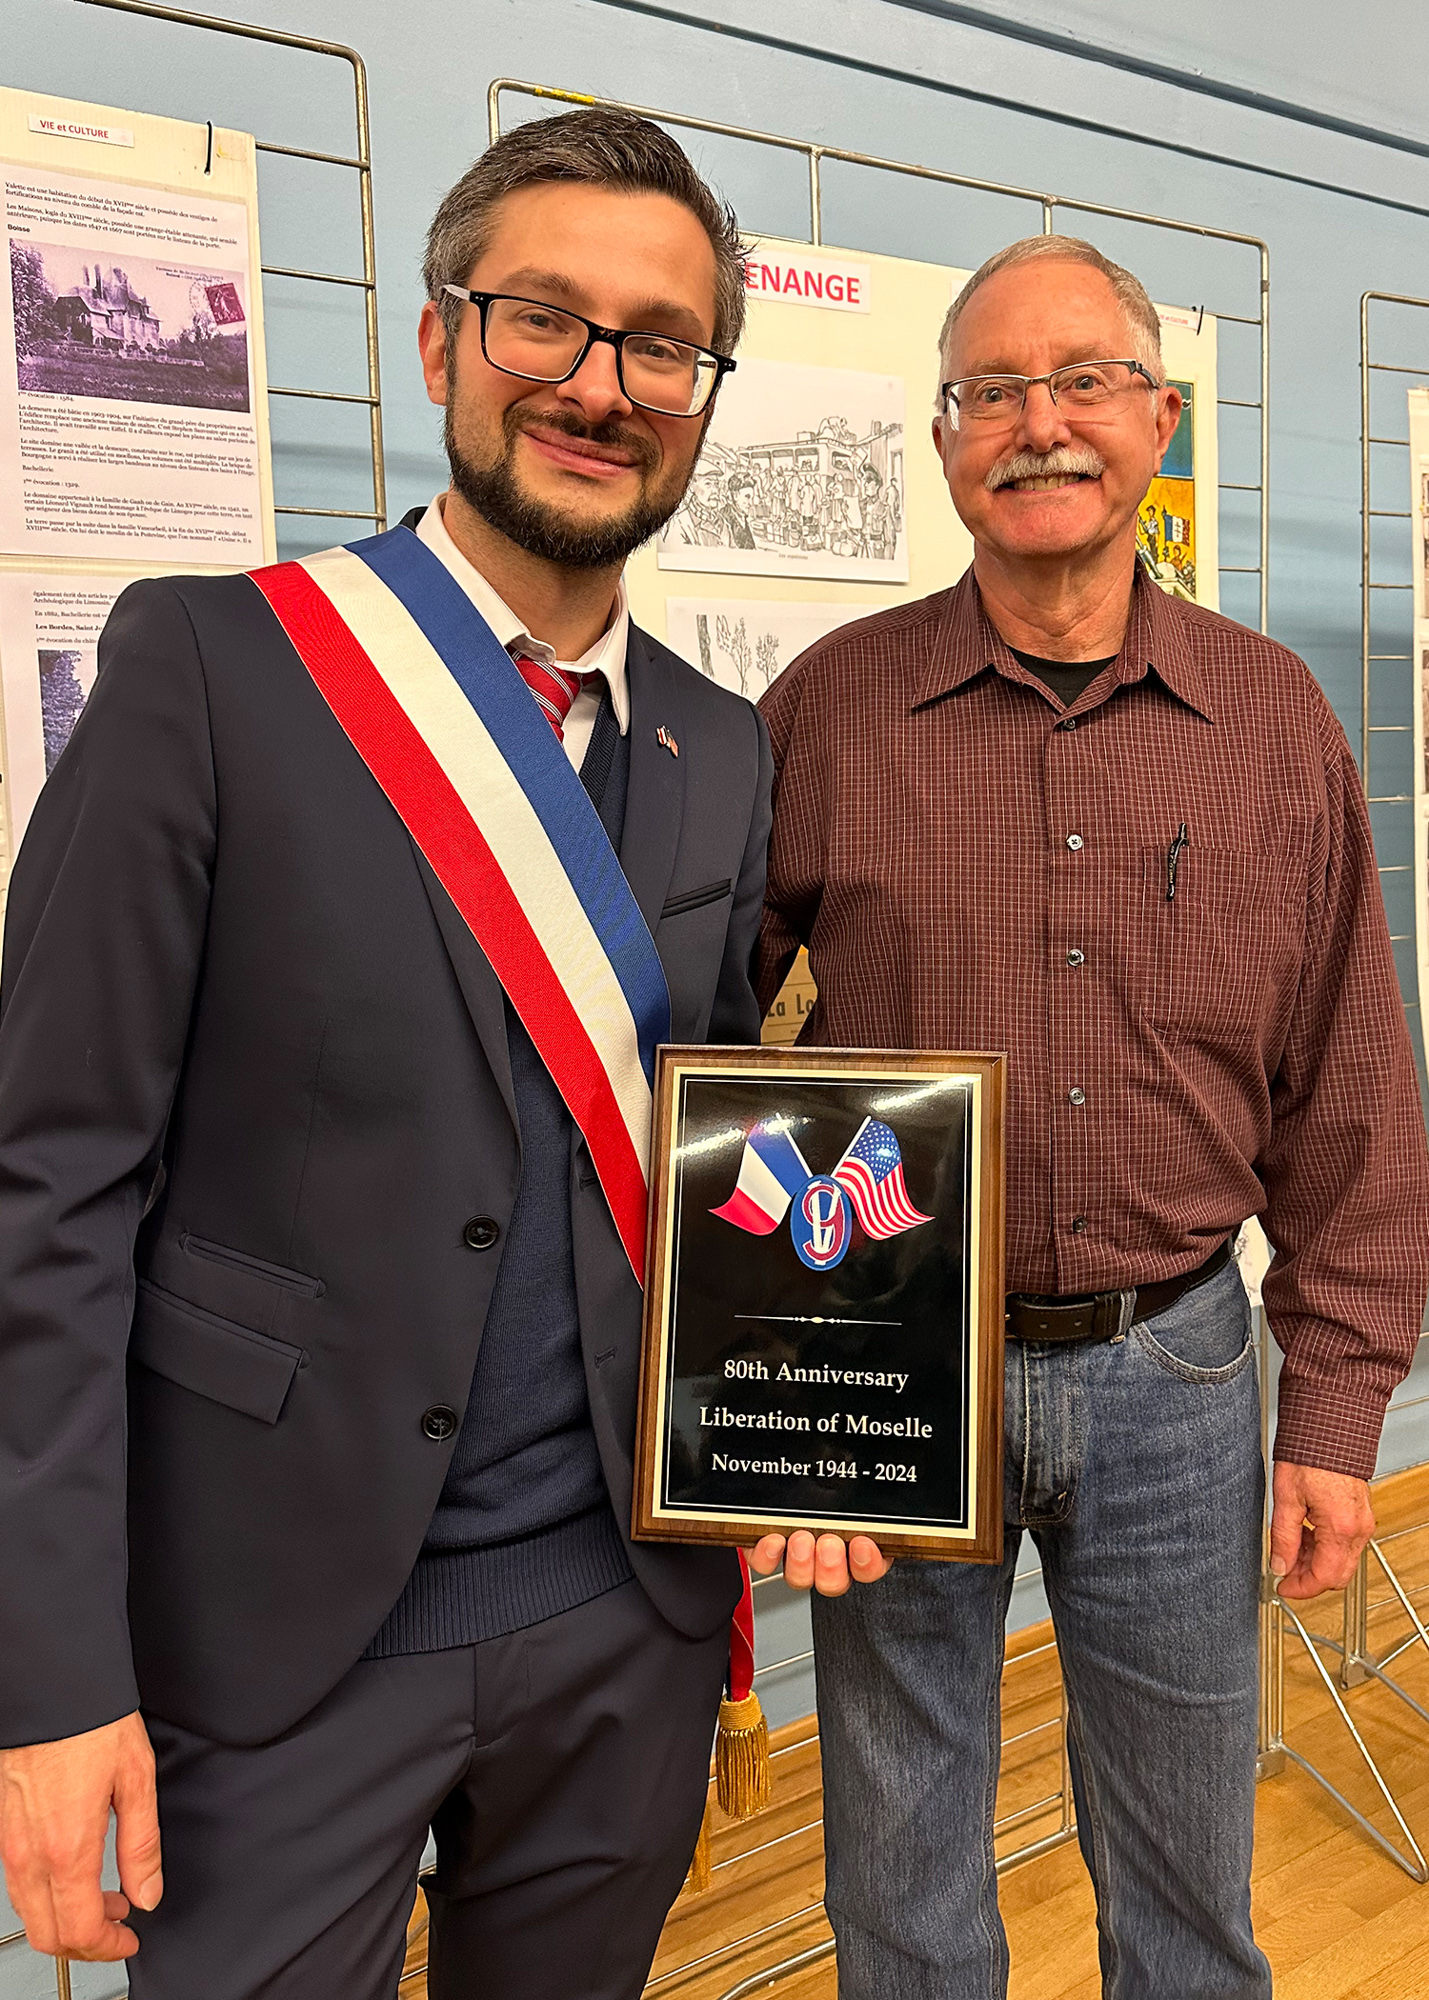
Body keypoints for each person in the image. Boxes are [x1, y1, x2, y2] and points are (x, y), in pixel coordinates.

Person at [0, 107, 803, 2000]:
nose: (601, 386)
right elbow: (45, 1190)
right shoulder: (212, 667)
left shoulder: (723, 748)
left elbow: (718, 1160)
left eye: (661, 344)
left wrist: (794, 1436)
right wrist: (49, 1679)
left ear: (702, 394)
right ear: (440, 340)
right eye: (543, 319)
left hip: (623, 1617)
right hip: (270, 1637)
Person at [752, 234, 1429, 1998]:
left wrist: (1339, 1410)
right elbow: (702, 1048)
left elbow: (1351, 1092)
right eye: (990, 392)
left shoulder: (1271, 723)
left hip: (1180, 1374)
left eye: (1078, 383)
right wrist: (751, 1387)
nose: (1036, 425)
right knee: (898, 1873)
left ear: (1154, 418)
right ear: (943, 436)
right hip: (890, 1356)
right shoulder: (825, 711)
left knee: (1189, 1872)